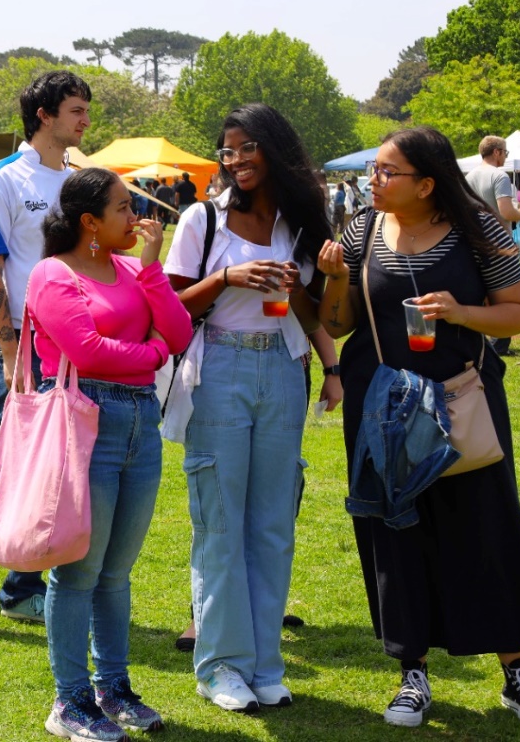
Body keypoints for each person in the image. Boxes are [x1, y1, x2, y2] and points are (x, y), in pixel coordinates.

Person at [317, 126, 520, 729]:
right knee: (394, 532)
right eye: (373, 170)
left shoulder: (479, 229)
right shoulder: (362, 230)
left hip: (460, 399)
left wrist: (458, 311)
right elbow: (339, 323)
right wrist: (338, 278)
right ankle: (412, 674)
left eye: (386, 173)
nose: (373, 181)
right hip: (381, 407)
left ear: (426, 183)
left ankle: (516, 673)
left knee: (485, 525)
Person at [162, 102, 330, 713]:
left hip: (284, 370)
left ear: (275, 149)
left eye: (245, 148)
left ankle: (263, 663)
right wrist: (231, 279)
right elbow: (173, 308)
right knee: (221, 521)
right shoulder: (201, 220)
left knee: (272, 525)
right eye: (227, 151)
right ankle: (221, 665)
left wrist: (331, 366)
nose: (235, 161)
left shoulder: (299, 222)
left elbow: (313, 309)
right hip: (220, 368)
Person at [24, 168, 191, 739]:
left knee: (116, 573)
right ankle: (69, 701)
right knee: (78, 571)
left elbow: (180, 333)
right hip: (86, 422)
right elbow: (86, 351)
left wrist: (151, 268)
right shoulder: (53, 273)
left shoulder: (129, 268)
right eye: (124, 208)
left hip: (141, 421)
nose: (137, 218)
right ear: (90, 221)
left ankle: (112, 688)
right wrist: (150, 354)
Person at [0, 70, 91, 645]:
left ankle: (23, 588)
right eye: (76, 110)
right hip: (23, 344)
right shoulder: (3, 177)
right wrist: (8, 347)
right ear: (45, 115)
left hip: (75, 345)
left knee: (55, 465)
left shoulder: (80, 179)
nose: (84, 121)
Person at [464, 136, 520, 357]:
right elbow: (506, 212)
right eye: (505, 152)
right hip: (499, 244)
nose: (505, 156)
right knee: (506, 296)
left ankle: (481, 341)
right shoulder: (499, 176)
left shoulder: (469, 176)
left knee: (479, 292)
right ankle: (499, 345)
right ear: (496, 152)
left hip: (473, 241)